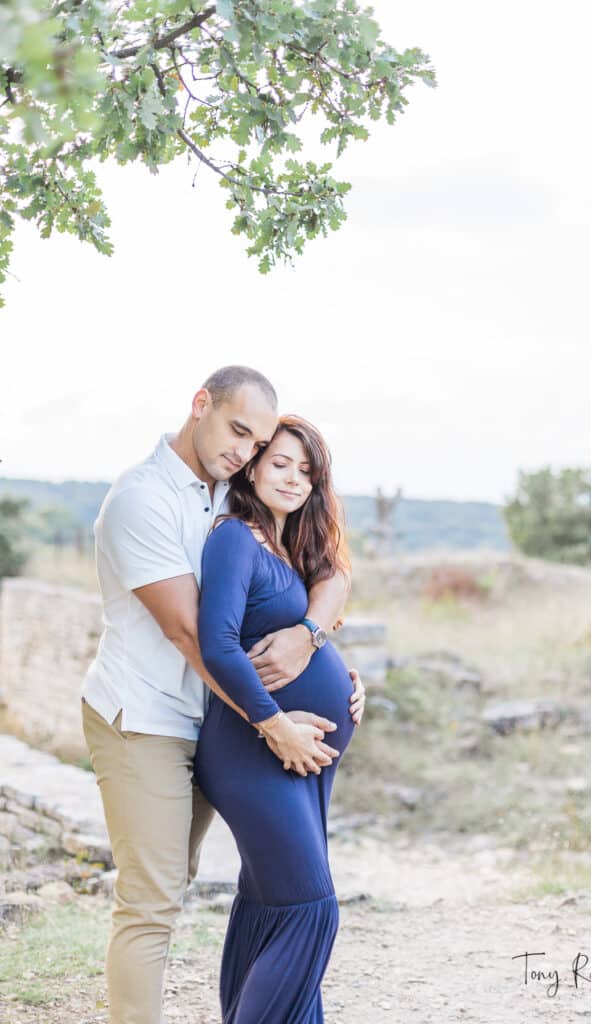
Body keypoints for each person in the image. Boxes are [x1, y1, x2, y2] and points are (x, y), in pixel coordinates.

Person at [81, 366, 366, 1024]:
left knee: (265, 893)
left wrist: (314, 643)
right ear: (199, 403)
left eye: (256, 442)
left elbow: (326, 574)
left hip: (219, 720)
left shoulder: (232, 495)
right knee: (154, 901)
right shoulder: (143, 499)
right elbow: (192, 633)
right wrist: (274, 722)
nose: (244, 450)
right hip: (148, 716)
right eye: (238, 431)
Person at [194, 414, 357, 1024]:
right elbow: (219, 647)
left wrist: (343, 679)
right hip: (251, 749)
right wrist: (276, 724)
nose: (293, 478)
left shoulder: (289, 546)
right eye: (280, 463)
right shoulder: (235, 537)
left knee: (268, 904)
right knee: (311, 907)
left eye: (306, 470)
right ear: (254, 465)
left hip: (301, 757)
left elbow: (319, 604)